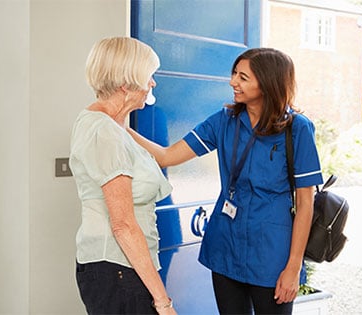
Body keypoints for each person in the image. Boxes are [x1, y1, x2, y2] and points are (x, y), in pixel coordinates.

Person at [128, 47, 323, 314]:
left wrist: (293, 266)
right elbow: (166, 156)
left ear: (267, 83)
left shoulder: (297, 129)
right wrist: (120, 126)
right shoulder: (224, 121)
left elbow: (305, 203)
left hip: (272, 257)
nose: (233, 82)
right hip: (226, 249)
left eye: (243, 77)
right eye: (234, 74)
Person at [69, 37, 176, 315]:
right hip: (118, 270)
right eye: (148, 76)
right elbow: (123, 227)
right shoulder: (105, 132)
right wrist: (163, 302)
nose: (152, 84)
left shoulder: (111, 126)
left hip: (120, 268)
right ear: (126, 83)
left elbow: (163, 156)